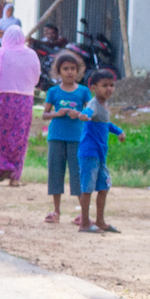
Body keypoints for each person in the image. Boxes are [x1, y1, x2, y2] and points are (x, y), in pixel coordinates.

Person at [0, 23, 38, 186]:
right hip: (24, 101)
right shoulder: (31, 55)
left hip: (2, 99)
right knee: (19, 137)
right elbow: (36, 77)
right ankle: (14, 175)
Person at [41, 50, 89, 225]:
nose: (70, 72)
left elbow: (90, 113)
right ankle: (56, 211)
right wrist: (57, 113)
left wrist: (80, 114)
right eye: (66, 69)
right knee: (55, 172)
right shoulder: (53, 92)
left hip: (77, 138)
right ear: (58, 71)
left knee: (78, 174)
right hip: (56, 137)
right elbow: (45, 115)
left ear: (78, 71)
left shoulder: (83, 91)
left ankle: (83, 213)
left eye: (73, 69)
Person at [78, 66, 124, 234]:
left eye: (111, 85)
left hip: (100, 154)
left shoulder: (104, 105)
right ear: (93, 88)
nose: (109, 89)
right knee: (87, 189)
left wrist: (118, 131)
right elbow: (88, 112)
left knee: (103, 187)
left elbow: (106, 123)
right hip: (89, 153)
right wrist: (84, 115)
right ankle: (84, 223)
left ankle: (100, 221)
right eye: (105, 85)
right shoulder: (94, 104)